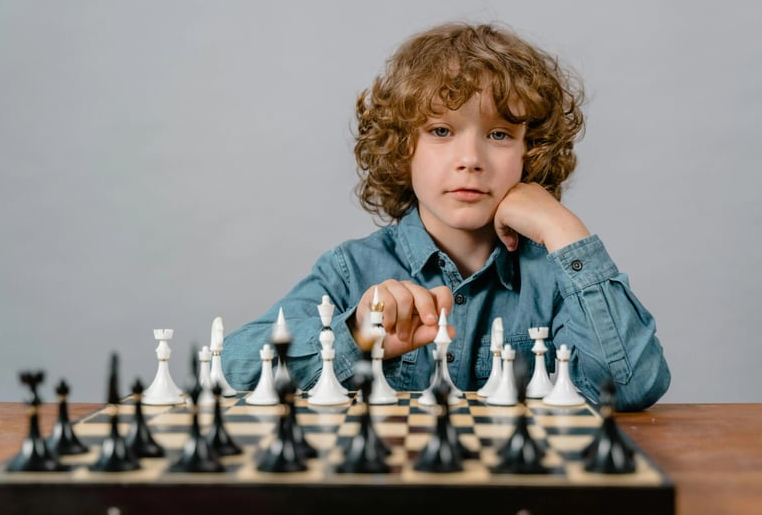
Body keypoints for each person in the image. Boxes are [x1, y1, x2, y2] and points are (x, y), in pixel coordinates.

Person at [223, 21, 670, 411]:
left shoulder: (553, 279)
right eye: (441, 131)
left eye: (499, 134)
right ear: (403, 150)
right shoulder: (351, 271)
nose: (470, 159)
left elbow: (630, 386)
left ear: (530, 154)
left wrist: (562, 228)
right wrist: (356, 334)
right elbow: (236, 364)